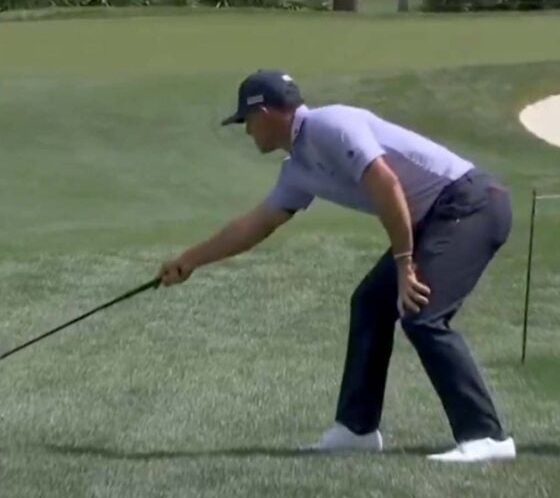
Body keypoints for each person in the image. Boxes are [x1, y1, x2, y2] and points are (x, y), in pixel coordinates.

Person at [158, 70, 517, 463]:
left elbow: (386, 184)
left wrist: (403, 265)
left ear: (266, 113)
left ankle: (487, 436)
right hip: (436, 218)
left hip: (471, 203)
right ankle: (356, 430)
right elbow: (256, 225)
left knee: (422, 314)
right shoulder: (298, 168)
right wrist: (189, 260)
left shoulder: (330, 124)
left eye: (247, 120)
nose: (247, 132)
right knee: (370, 304)